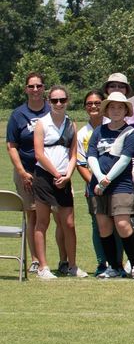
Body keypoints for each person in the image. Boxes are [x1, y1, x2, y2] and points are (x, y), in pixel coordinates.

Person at [87, 91, 134, 278]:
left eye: (120, 107)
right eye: (112, 107)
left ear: (126, 110)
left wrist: (106, 179)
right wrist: (100, 177)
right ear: (107, 110)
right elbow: (91, 156)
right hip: (98, 184)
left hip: (121, 185)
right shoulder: (98, 131)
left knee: (123, 224)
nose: (116, 110)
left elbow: (125, 160)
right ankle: (113, 266)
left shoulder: (131, 133)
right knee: (103, 226)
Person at [31, 86, 80, 278]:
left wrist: (67, 175)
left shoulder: (71, 124)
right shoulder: (41, 124)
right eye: (54, 100)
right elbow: (39, 154)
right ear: (48, 101)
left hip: (64, 177)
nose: (58, 104)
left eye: (62, 100)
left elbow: (74, 154)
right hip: (44, 177)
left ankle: (73, 266)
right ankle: (43, 267)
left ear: (67, 100)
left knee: (69, 223)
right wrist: (56, 174)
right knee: (42, 222)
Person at [7, 72, 50, 271]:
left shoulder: (52, 110)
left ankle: (64, 261)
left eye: (38, 86)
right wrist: (22, 171)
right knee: (33, 215)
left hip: (51, 171)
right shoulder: (18, 114)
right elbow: (11, 145)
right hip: (28, 171)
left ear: (44, 88)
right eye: (31, 86)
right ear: (26, 89)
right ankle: (35, 260)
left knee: (59, 216)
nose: (35, 90)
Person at [75, 90, 107, 275]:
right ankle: (102, 262)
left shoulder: (114, 126)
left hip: (114, 184)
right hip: (93, 186)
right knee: (97, 224)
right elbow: (81, 164)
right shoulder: (82, 134)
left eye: (97, 103)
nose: (93, 106)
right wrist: (96, 183)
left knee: (116, 223)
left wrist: (107, 182)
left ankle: (116, 262)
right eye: (89, 103)